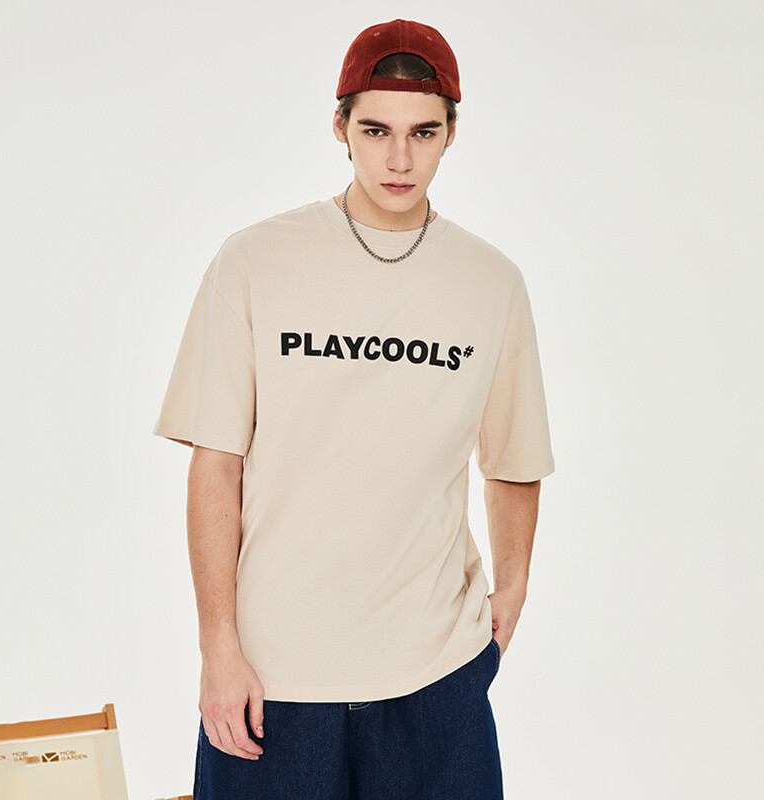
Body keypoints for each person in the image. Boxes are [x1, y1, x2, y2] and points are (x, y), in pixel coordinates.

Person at [152, 17, 555, 800]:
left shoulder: (491, 283)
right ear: (340, 127)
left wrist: (512, 590)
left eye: (422, 133)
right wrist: (218, 648)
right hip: (273, 677)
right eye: (376, 131)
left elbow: (514, 461)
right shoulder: (255, 261)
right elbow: (216, 464)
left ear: (450, 134)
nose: (399, 159)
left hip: (435, 676)